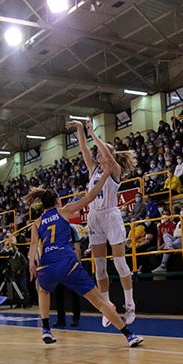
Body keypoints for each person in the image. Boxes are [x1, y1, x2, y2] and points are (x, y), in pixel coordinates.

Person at [26, 174, 142, 347]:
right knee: (101, 303)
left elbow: (34, 245)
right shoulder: (64, 211)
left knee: (43, 292)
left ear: (42, 205)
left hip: (47, 265)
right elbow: (90, 197)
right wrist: (103, 179)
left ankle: (46, 329)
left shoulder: (37, 222)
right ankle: (129, 335)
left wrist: (31, 265)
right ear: (58, 200)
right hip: (67, 263)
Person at [68, 119, 138, 327]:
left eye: (100, 152)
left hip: (111, 216)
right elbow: (83, 150)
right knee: (99, 267)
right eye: (97, 153)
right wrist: (81, 130)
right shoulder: (93, 170)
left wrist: (93, 132)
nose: (97, 155)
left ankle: (130, 304)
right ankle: (107, 306)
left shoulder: (114, 169)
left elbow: (107, 154)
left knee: (119, 262)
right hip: (94, 217)